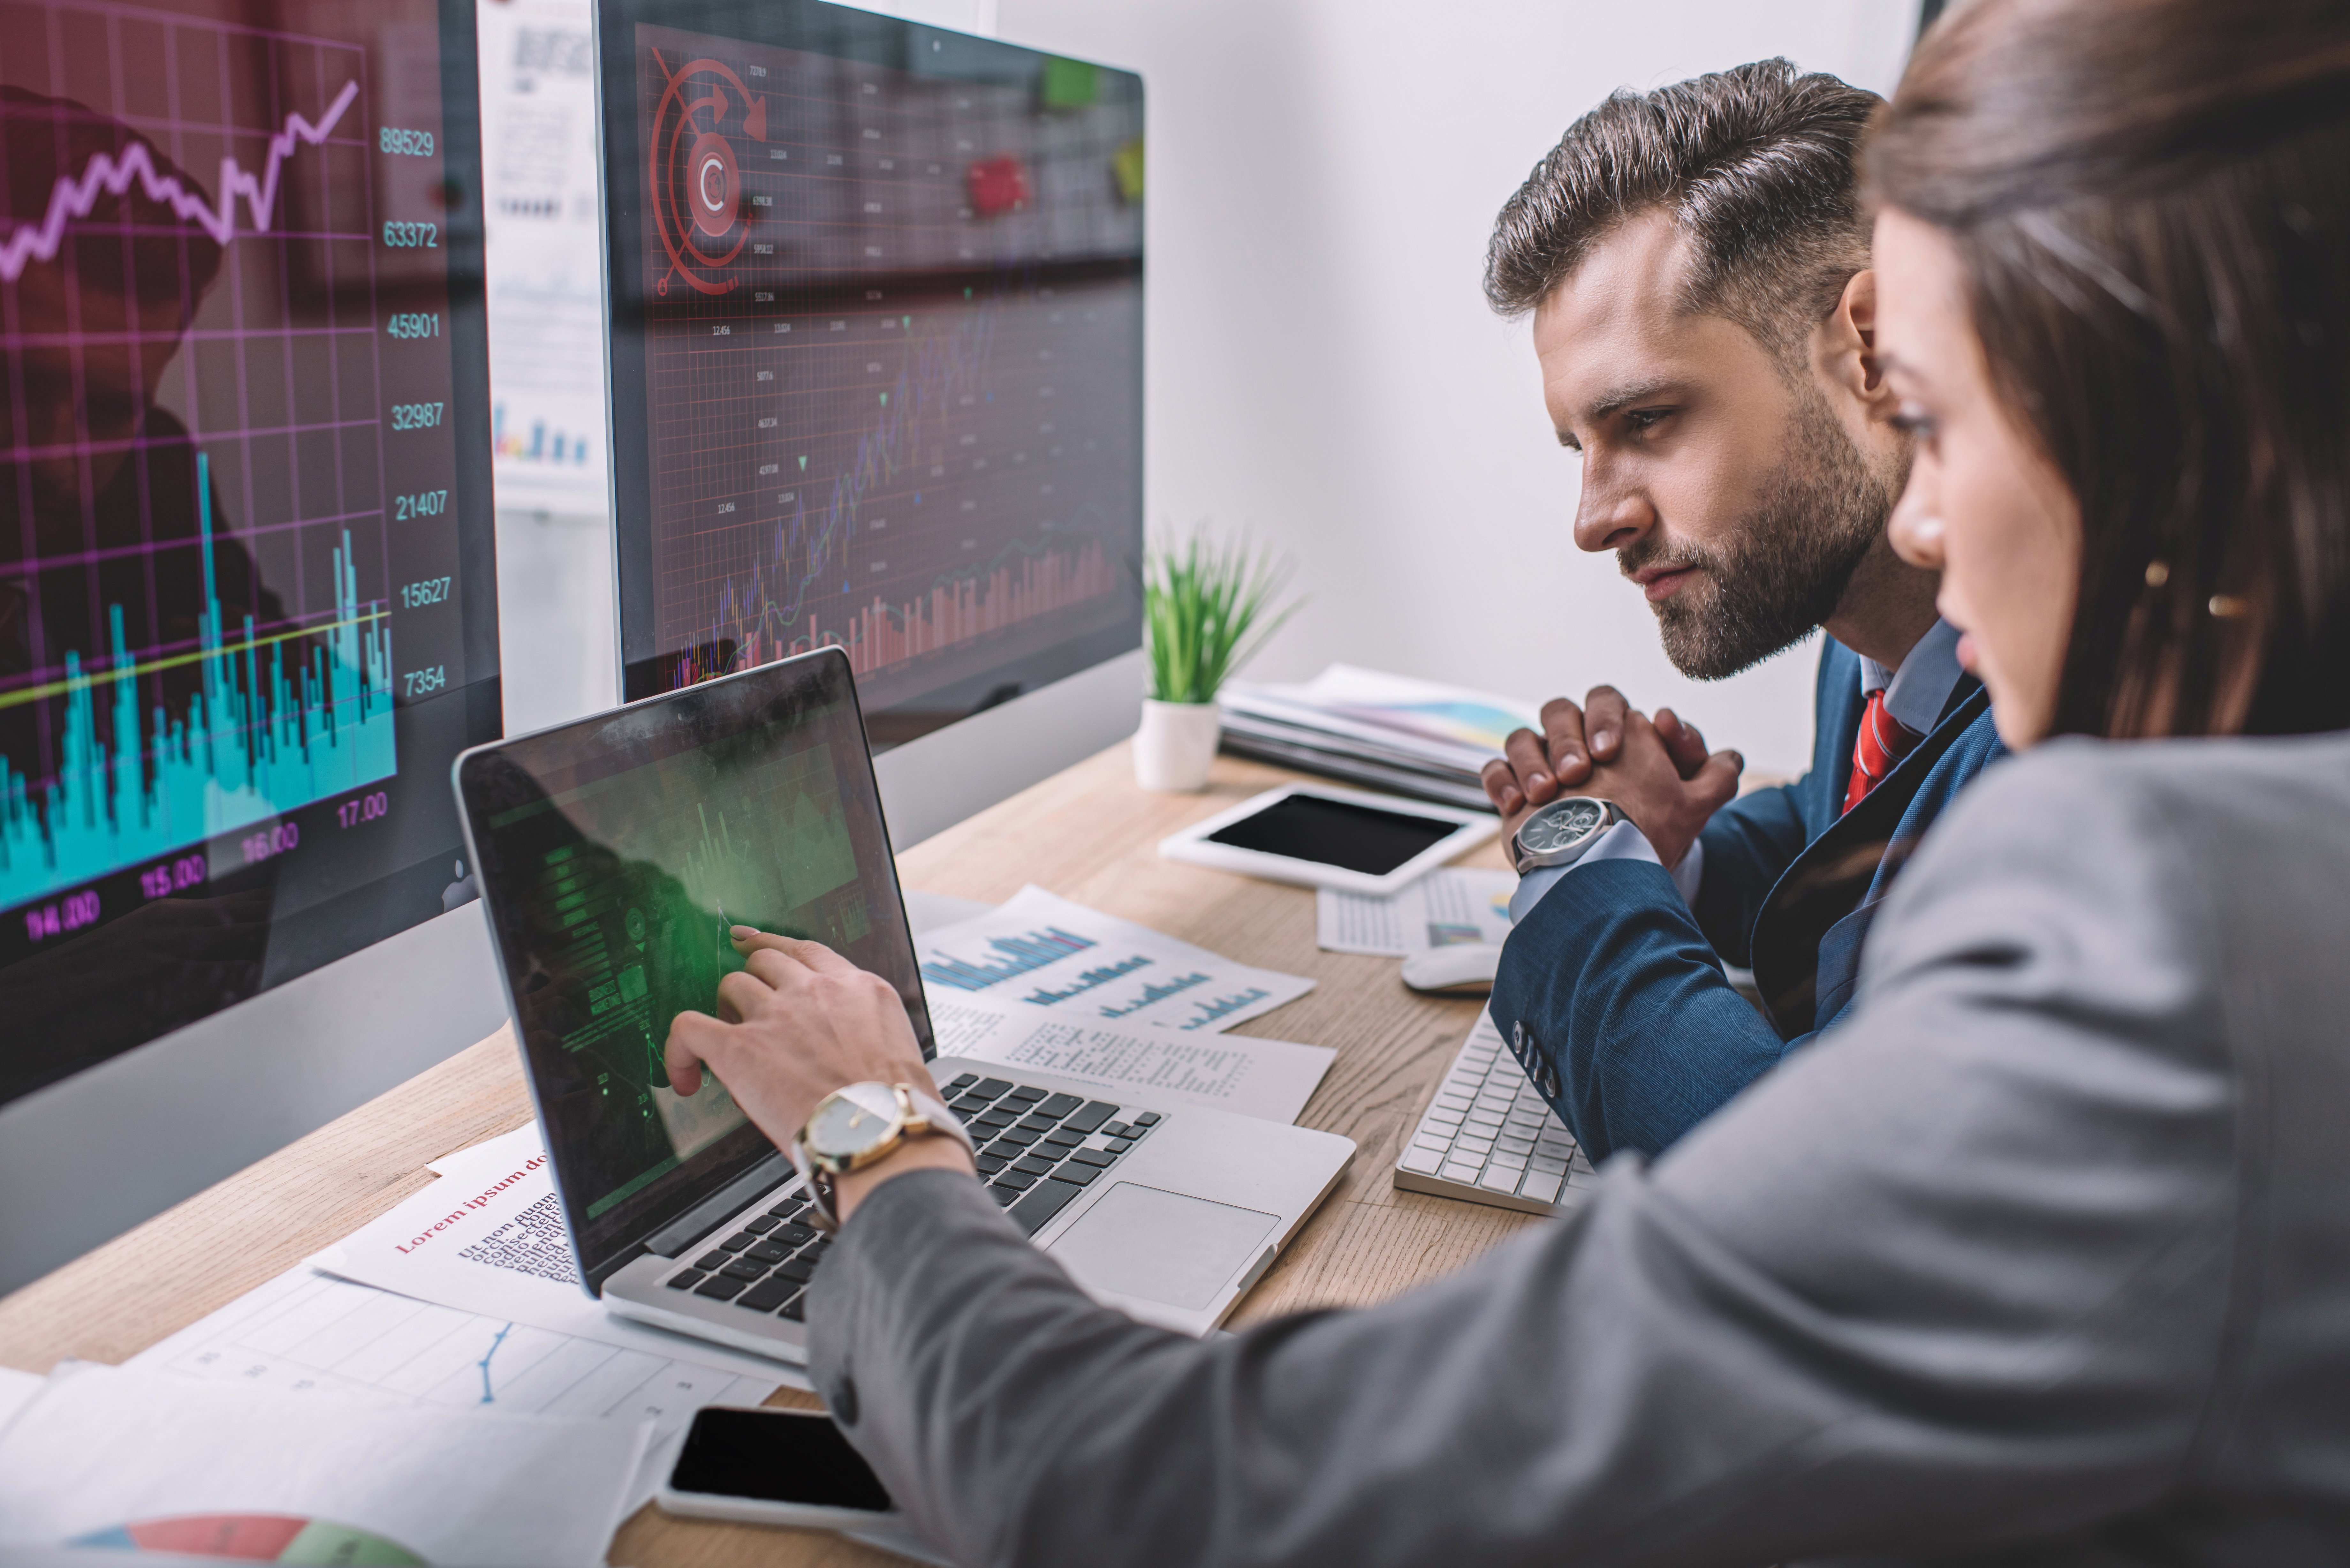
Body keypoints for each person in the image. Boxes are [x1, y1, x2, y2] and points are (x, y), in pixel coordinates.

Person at [664, 0, 2350, 1559]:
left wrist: (872, 1130)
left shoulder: (2159, 921)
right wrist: (1676, 844)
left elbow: (1146, 1491)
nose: (1919, 508)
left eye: (1941, 412)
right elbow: (1864, 842)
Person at [1469, 62, 2005, 1163]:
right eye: (1582, 448)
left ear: (1873, 346)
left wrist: (1582, 873)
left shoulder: (2058, 730)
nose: (1593, 519)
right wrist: (1676, 846)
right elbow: (1847, 830)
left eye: (1651, 419)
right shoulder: (1874, 639)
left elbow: (1781, 1166)